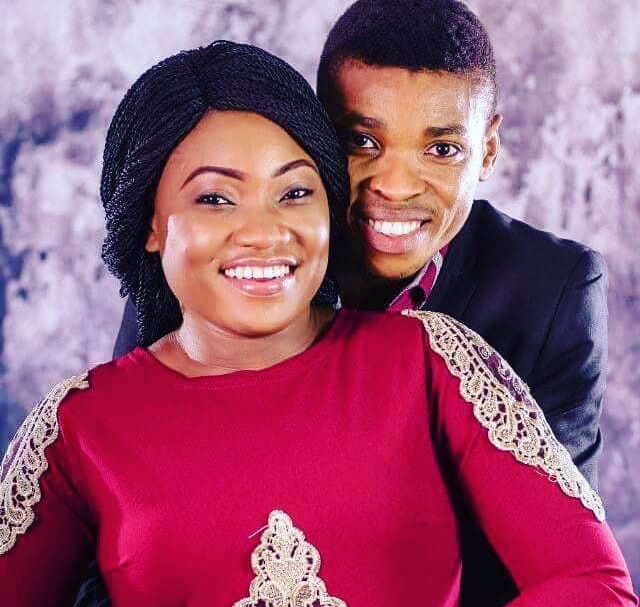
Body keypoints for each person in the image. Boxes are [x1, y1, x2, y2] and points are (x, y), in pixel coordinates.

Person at [0, 41, 635, 606]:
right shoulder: (77, 426)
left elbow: (593, 584)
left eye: (295, 193)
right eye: (215, 198)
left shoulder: (434, 361)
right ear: (151, 224)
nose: (264, 232)